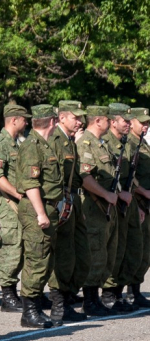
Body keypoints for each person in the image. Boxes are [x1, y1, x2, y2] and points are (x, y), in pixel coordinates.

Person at [15, 104, 63, 328]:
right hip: (37, 209)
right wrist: (41, 213)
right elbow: (30, 184)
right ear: (52, 121)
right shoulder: (32, 146)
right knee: (36, 260)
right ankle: (29, 311)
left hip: (47, 207)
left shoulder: (44, 144)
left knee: (44, 260)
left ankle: (35, 306)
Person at [46, 100, 89, 322]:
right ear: (61, 117)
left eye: (81, 117)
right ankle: (59, 304)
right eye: (75, 117)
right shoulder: (54, 140)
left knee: (79, 254)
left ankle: (67, 296)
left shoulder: (70, 141)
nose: (80, 121)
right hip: (60, 202)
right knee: (63, 254)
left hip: (72, 200)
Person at [76, 106, 120, 316]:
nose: (111, 123)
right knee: (95, 254)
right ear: (98, 121)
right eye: (107, 120)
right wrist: (105, 195)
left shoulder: (102, 144)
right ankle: (90, 300)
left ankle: (96, 298)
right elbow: (85, 178)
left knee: (105, 254)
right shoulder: (86, 143)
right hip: (93, 208)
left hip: (106, 209)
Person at [0, 104, 31, 313]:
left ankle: (13, 292)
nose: (27, 122)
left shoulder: (16, 143)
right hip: (7, 204)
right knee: (12, 246)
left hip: (17, 203)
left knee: (21, 247)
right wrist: (18, 194)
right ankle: (7, 294)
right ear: (14, 120)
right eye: (24, 119)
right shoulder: (0, 144)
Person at [100, 103, 137, 312]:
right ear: (113, 122)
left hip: (123, 202)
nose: (128, 124)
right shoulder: (105, 142)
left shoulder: (126, 142)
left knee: (121, 248)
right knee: (110, 250)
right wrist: (120, 193)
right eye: (125, 120)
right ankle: (107, 293)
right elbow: (108, 175)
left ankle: (116, 292)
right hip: (109, 201)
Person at [128, 107, 150, 307]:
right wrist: (143, 193)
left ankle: (135, 289)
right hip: (136, 202)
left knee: (145, 251)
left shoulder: (143, 143)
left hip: (145, 203)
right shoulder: (129, 144)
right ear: (131, 122)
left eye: (147, 122)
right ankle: (129, 291)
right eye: (142, 122)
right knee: (135, 249)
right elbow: (129, 177)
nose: (146, 126)